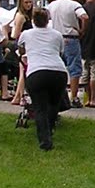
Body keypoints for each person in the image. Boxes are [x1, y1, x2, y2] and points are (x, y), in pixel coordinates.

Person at [19, 8, 69, 150]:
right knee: (53, 104)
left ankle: (45, 140)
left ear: (33, 21)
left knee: (40, 107)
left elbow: (20, 49)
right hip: (58, 71)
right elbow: (60, 52)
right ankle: (50, 127)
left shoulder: (26, 34)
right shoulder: (57, 35)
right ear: (48, 21)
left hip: (37, 71)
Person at [48, 0, 86, 108]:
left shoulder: (52, 5)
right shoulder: (75, 5)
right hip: (71, 38)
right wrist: (81, 29)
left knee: (57, 68)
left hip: (55, 38)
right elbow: (84, 16)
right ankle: (73, 97)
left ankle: (57, 95)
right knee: (74, 69)